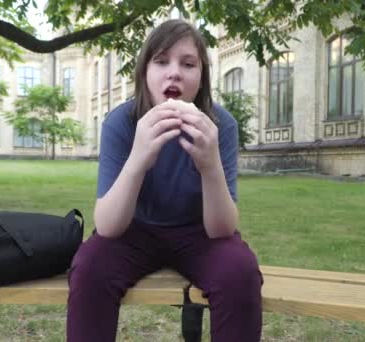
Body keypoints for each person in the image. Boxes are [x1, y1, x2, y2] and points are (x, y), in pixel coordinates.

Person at [67, 19, 262, 341]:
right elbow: (108, 226)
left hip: (199, 233)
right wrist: (138, 160)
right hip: (134, 231)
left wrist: (210, 166)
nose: (174, 72)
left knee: (239, 271)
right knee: (90, 266)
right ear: (145, 74)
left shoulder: (219, 126)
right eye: (161, 61)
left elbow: (221, 229)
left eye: (188, 64)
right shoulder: (122, 122)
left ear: (201, 79)